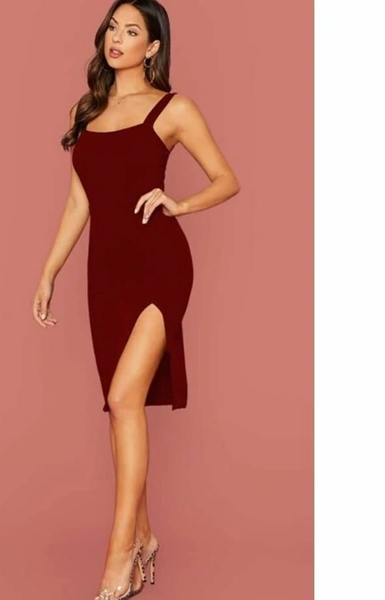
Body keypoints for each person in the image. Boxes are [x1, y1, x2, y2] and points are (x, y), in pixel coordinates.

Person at [32, 1, 240, 597]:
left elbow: (227, 179)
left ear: (152, 48)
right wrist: (48, 271)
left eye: (132, 31)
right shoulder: (87, 110)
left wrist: (180, 204)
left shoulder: (173, 109)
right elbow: (80, 201)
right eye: (112, 28)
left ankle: (118, 557)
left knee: (126, 397)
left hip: (159, 265)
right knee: (120, 409)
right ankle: (144, 535)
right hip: (105, 274)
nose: (116, 38)